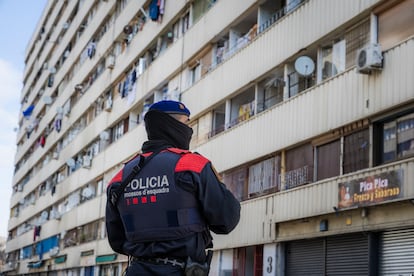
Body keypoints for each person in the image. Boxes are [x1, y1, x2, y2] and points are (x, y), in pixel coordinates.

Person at [105, 100, 241, 275]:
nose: (189, 130)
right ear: (173, 126)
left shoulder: (119, 178)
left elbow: (116, 241)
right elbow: (226, 220)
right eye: (186, 124)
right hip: (180, 270)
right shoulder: (193, 165)